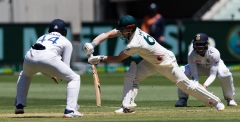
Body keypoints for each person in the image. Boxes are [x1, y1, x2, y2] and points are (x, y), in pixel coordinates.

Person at [83, 15, 225, 114]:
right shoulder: (131, 30)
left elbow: (119, 58)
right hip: (152, 61)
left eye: (123, 30)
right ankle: (127, 107)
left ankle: (216, 102)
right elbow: (108, 34)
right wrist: (93, 43)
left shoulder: (135, 43)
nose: (120, 33)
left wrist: (100, 58)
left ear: (130, 29)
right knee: (131, 75)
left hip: (166, 62)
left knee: (186, 85)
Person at [14, 19, 83, 118]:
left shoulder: (42, 37)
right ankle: (70, 110)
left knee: (25, 74)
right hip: (48, 57)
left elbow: (39, 63)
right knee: (74, 78)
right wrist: (56, 74)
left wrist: (51, 74)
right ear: (64, 31)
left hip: (30, 56)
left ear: (50, 30)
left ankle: (19, 105)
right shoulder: (66, 42)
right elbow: (66, 68)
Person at [175, 33, 237, 107]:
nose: (199, 47)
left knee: (224, 74)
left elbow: (213, 74)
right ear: (194, 45)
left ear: (207, 44)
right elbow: (194, 74)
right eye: (197, 44)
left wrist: (204, 86)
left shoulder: (214, 53)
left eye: (201, 44)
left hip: (215, 67)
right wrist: (196, 83)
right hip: (200, 67)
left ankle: (230, 98)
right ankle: (183, 99)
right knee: (182, 71)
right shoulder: (191, 55)